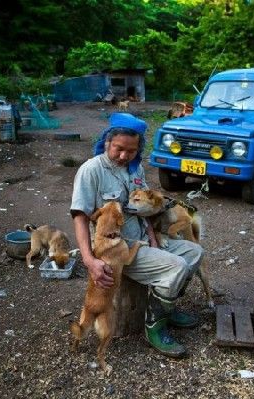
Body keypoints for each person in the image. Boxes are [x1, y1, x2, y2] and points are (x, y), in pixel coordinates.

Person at [70, 112, 204, 358]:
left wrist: (153, 237)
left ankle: (168, 305)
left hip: (144, 239)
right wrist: (89, 261)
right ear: (107, 142)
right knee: (177, 267)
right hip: (119, 250)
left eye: (131, 151)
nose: (124, 156)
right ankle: (155, 327)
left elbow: (143, 211)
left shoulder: (135, 168)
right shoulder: (91, 170)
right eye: (118, 149)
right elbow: (79, 217)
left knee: (195, 252)